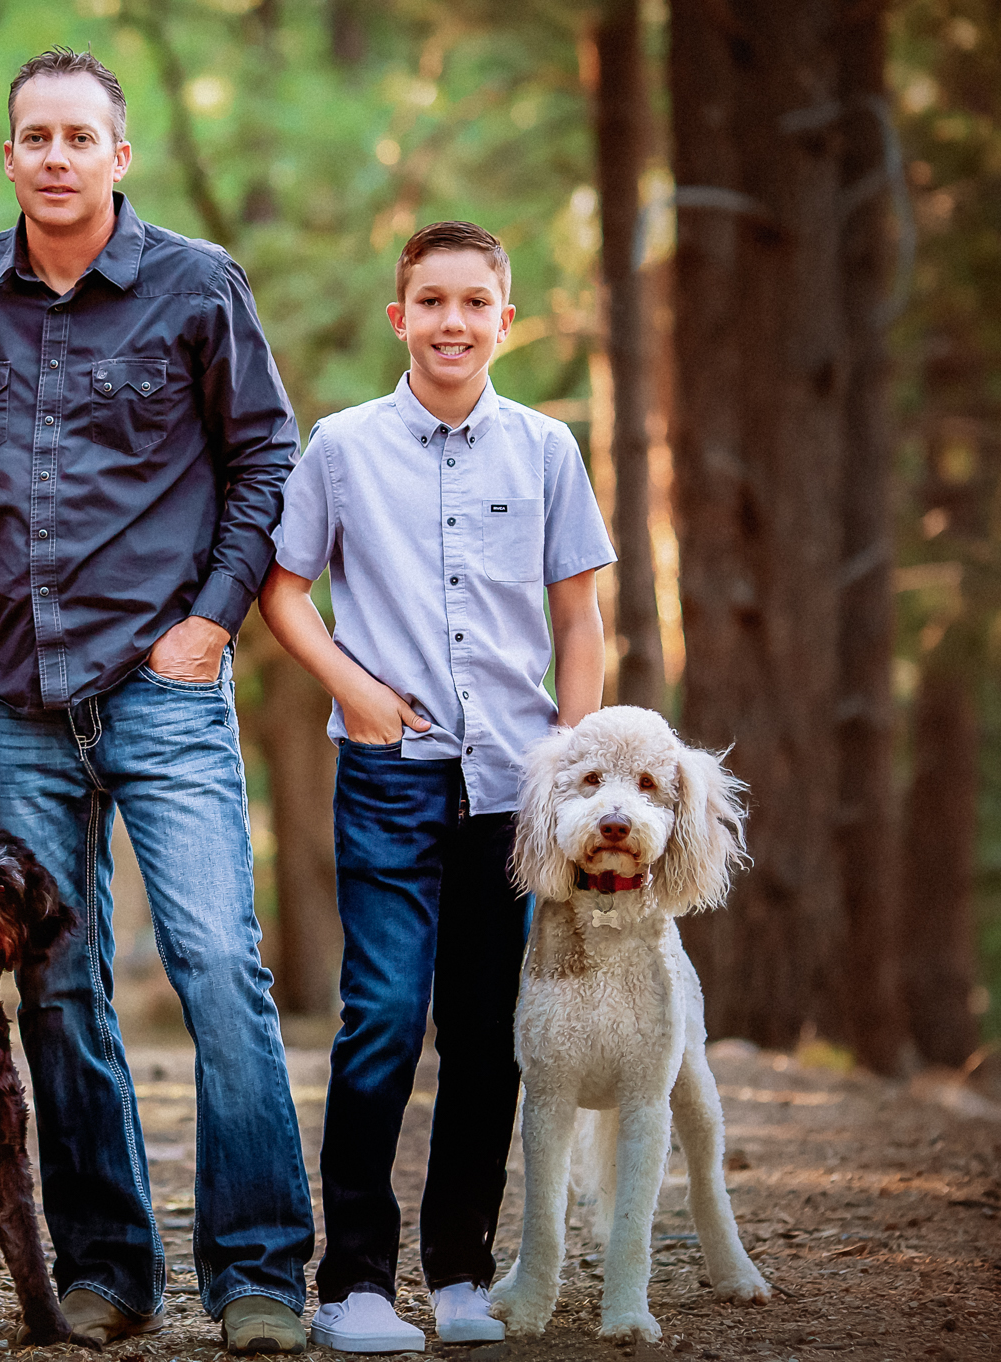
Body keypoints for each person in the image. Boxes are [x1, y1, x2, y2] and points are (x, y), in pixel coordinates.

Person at [0, 48, 311, 1356]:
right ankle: (107, 1268)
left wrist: (211, 620)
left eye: (77, 136)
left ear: (119, 153)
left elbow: (267, 457)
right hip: (21, 693)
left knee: (217, 963)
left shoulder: (198, 285)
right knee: (58, 984)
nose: (54, 156)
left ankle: (261, 1272)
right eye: (31, 135)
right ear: (8, 157)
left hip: (162, 682)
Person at [257, 220, 613, 1353]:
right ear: (396, 316)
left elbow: (577, 616)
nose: (451, 321)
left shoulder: (547, 449)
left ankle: (459, 1273)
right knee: (378, 1023)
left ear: (505, 320)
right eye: (431, 301)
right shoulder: (342, 446)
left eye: (474, 302)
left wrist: (571, 757)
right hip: (386, 776)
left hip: (516, 791)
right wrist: (351, 691)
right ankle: (350, 1284)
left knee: (483, 1027)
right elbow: (280, 591)